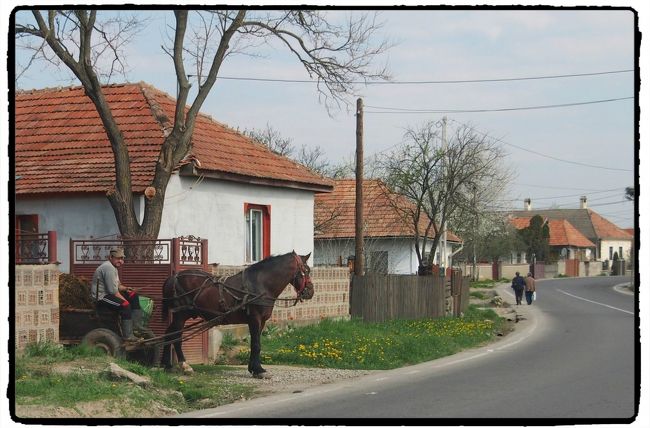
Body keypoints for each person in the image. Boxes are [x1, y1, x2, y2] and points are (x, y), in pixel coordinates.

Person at [91, 247, 144, 341]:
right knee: (125, 305)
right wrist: (125, 301)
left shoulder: (114, 268)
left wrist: (127, 288)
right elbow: (112, 291)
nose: (121, 261)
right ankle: (128, 335)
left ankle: (136, 328)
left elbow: (118, 285)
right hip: (102, 297)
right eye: (118, 258)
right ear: (111, 257)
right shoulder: (108, 268)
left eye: (122, 258)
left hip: (110, 294)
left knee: (133, 295)